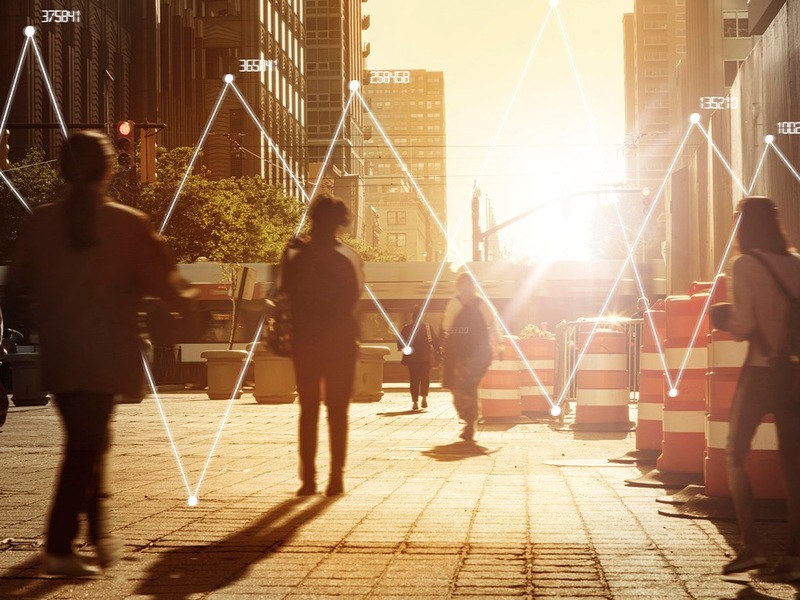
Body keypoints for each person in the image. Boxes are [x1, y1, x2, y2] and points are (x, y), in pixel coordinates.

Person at [3, 131, 197, 578]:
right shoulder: (128, 223)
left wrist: (42, 322)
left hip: (61, 354)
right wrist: (190, 302)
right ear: (109, 169)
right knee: (85, 445)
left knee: (92, 441)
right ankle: (59, 544)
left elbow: (16, 289)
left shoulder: (40, 222)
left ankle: (100, 534)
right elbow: (165, 284)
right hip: (106, 355)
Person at [710, 196, 800, 579]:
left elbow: (744, 326)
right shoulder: (796, 264)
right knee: (794, 466)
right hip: (796, 373)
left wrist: (723, 319)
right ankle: (794, 559)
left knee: (734, 453)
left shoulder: (745, 266)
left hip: (762, 370)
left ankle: (752, 546)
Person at [280, 193, 363, 497]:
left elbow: (283, 293)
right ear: (340, 224)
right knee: (338, 411)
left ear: (313, 219)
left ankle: (308, 480)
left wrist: (291, 254)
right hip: (340, 343)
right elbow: (354, 298)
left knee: (309, 409)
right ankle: (336, 478)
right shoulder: (348, 257)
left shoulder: (296, 256)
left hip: (306, 343)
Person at [440, 272, 497, 442]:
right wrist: (499, 345)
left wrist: (459, 333)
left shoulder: (455, 303)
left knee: (458, 389)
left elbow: (446, 326)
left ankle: (469, 420)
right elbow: (492, 325)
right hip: (481, 354)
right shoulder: (482, 304)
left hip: (461, 355)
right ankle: (471, 421)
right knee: (471, 388)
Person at [397, 304, 439, 411]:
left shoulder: (406, 328)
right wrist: (438, 352)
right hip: (425, 359)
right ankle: (424, 398)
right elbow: (435, 342)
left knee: (414, 379)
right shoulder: (428, 328)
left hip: (412, 360)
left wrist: (404, 348)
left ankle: (415, 402)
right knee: (425, 378)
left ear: (413, 317)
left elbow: (399, 344)